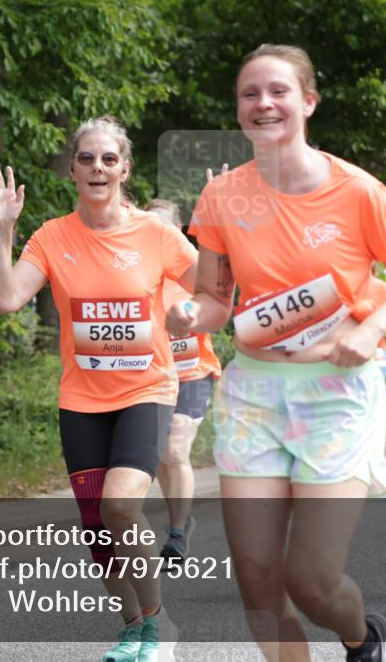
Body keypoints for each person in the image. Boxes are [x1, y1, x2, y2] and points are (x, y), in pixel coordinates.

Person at [167, 44, 386, 662]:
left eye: (278, 91)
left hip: (337, 394)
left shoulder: (359, 191)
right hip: (255, 392)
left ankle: (364, 637)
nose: (263, 103)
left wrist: (370, 331)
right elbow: (214, 298)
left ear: (308, 102)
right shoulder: (223, 198)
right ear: (238, 110)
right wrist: (188, 314)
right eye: (250, 94)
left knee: (310, 582)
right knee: (257, 582)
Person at [0, 116, 196, 662]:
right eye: (86, 159)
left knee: (120, 505)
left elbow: (216, 288)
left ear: (124, 168)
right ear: (72, 170)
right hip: (82, 400)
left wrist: (191, 312)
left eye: (108, 159)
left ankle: (157, 627)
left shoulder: (155, 233)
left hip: (147, 390)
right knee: (99, 536)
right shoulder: (52, 236)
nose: (97, 167)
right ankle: (132, 626)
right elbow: (6, 299)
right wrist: (3, 230)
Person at [144, 198, 222, 564]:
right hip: (153, 376)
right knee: (161, 456)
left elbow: (221, 295)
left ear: (178, 231)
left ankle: (175, 532)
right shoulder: (137, 275)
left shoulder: (194, 273)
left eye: (165, 229)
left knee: (175, 448)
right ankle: (181, 519)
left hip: (193, 372)